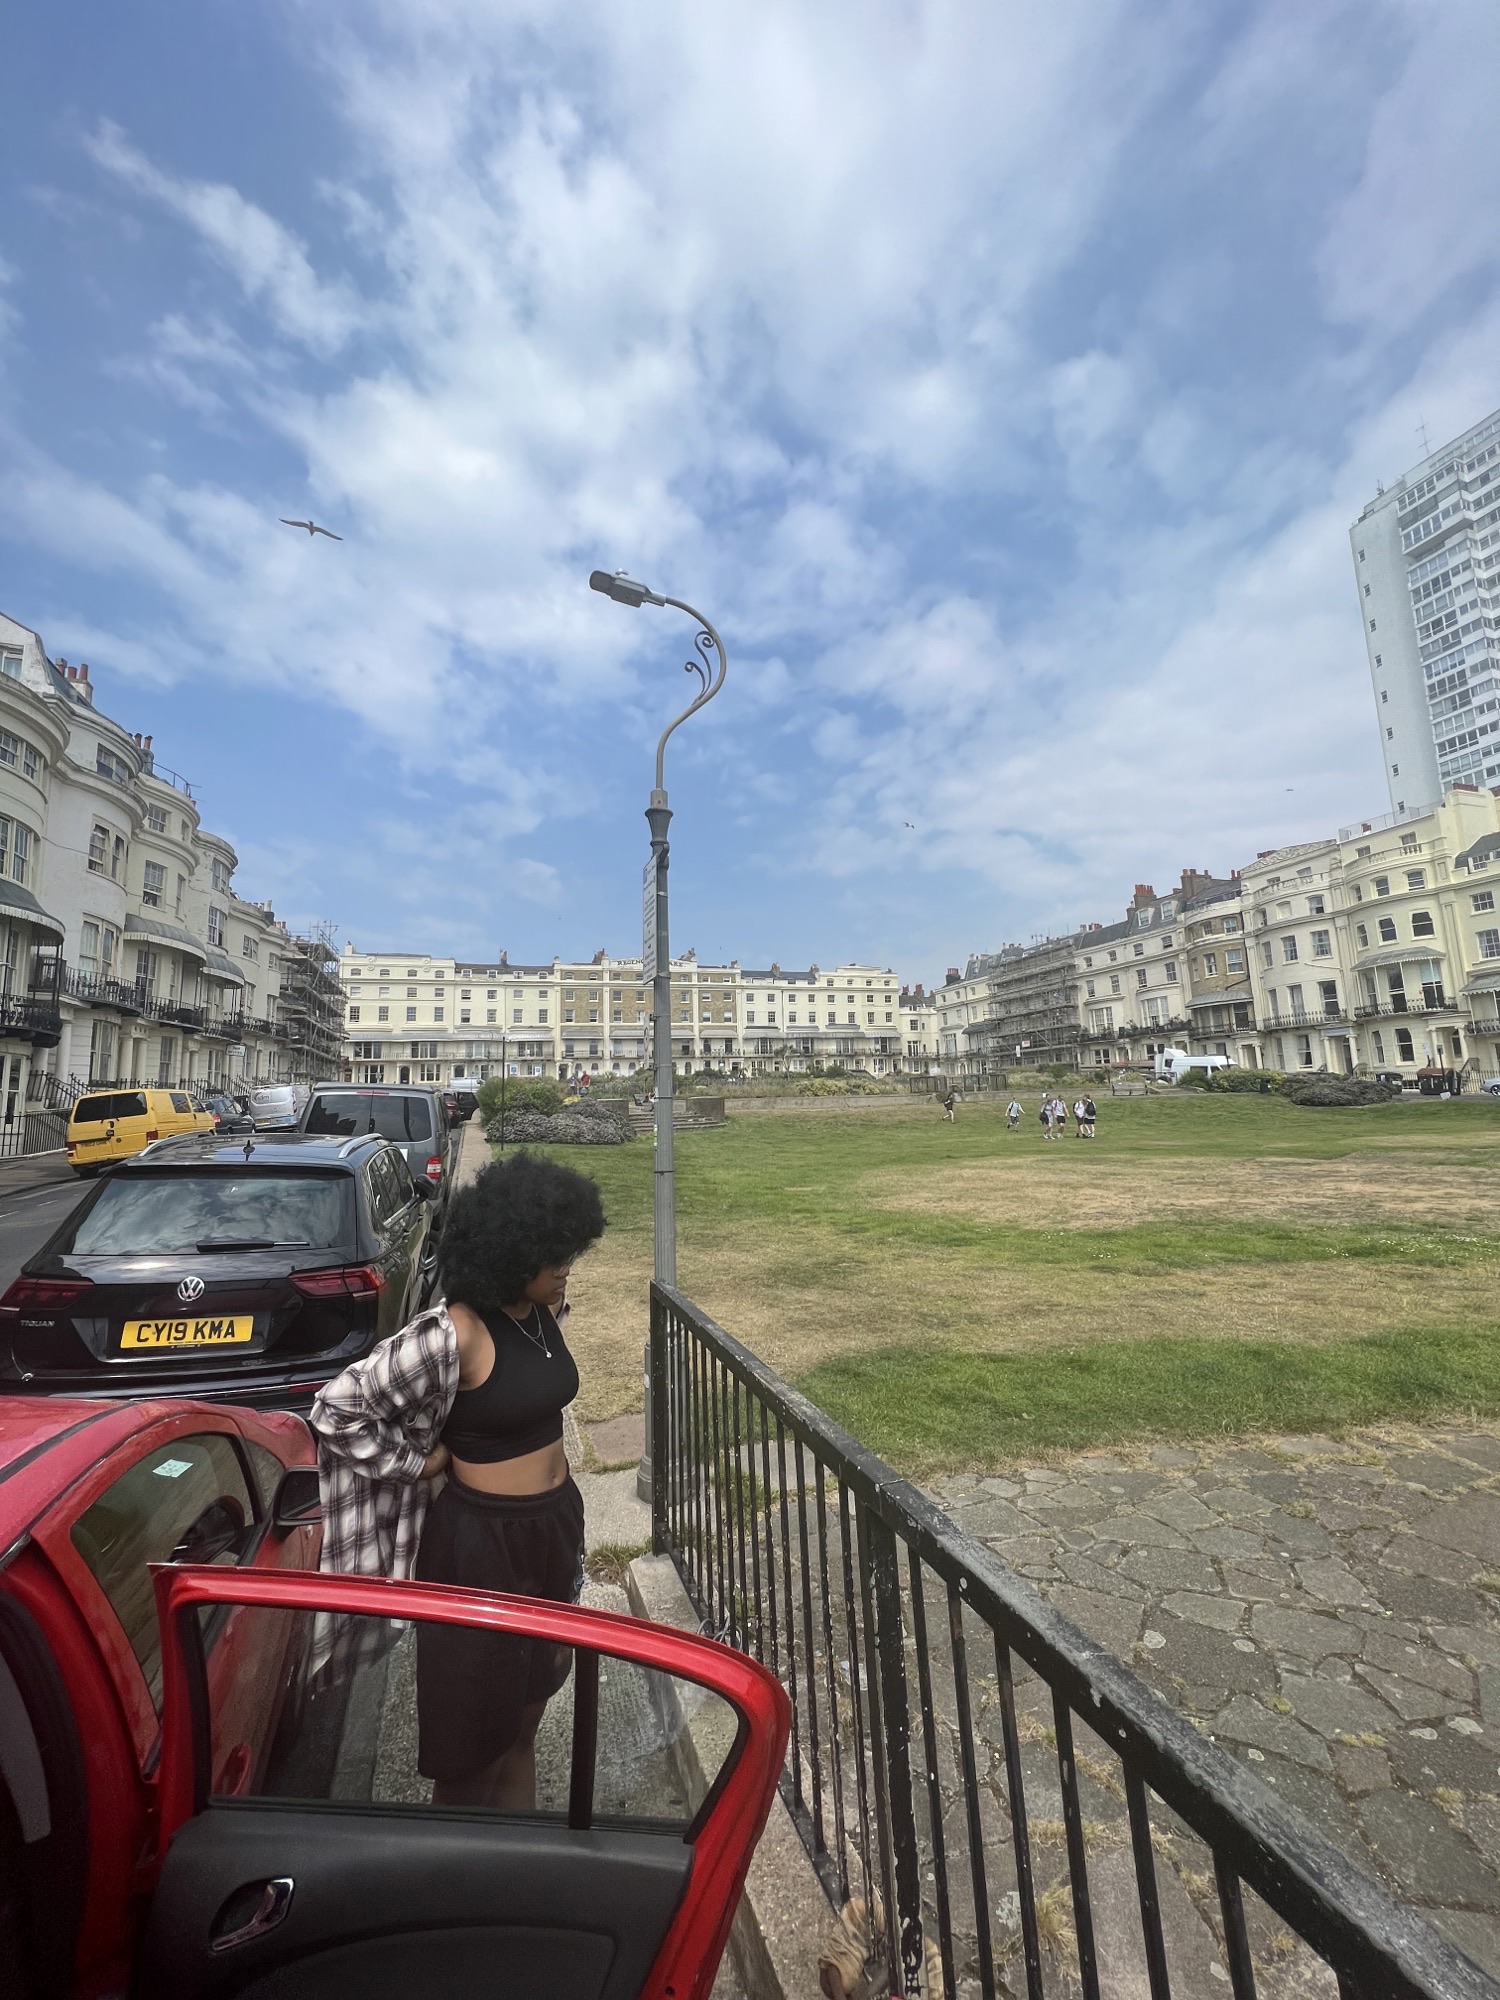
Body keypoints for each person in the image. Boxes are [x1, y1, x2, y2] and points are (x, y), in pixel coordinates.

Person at [309, 1151, 606, 1810]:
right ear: (510, 1249)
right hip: (479, 1551)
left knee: (526, 1726)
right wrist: (421, 1464)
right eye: (553, 1253)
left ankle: (519, 1877)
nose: (566, 1266)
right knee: (472, 1754)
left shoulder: (545, 1315)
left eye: (571, 1251)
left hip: (552, 1534)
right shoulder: (456, 1333)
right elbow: (337, 1407)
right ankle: (465, 1889)